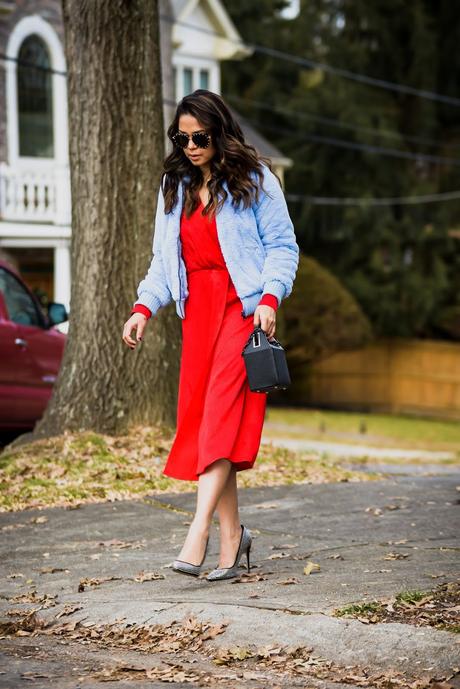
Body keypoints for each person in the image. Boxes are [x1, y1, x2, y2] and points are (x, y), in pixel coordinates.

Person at [122, 90, 299, 581]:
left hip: (241, 310)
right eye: (182, 138)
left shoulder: (256, 179)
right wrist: (143, 308)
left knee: (219, 418)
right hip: (197, 315)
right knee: (206, 426)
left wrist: (269, 299)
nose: (191, 146)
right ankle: (233, 539)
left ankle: (196, 531)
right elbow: (164, 261)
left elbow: (283, 247)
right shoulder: (174, 187)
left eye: (200, 137)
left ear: (220, 133)